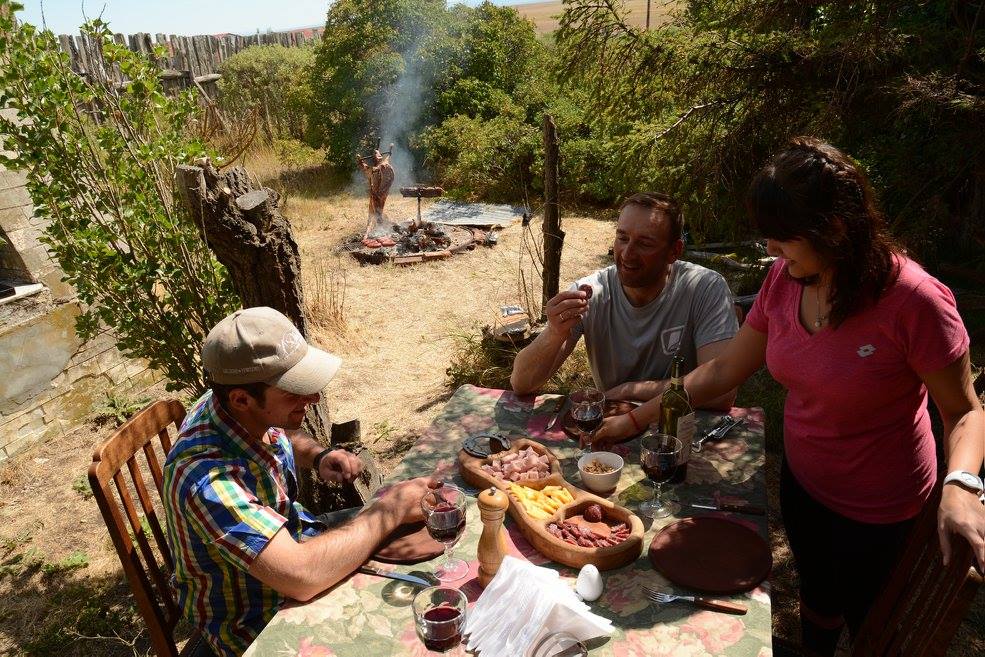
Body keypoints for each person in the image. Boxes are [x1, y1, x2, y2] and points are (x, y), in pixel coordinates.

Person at [593, 138, 985, 655]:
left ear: (836, 229)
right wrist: (639, 418)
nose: (771, 252)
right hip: (803, 484)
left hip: (883, 508)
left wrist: (962, 484)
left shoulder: (914, 300)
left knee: (872, 624)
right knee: (817, 600)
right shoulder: (784, 280)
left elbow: (963, 413)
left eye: (784, 239)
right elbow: (725, 369)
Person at [163, 307, 437, 657]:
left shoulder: (230, 403)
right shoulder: (207, 478)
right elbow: (302, 576)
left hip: (295, 545)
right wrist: (390, 511)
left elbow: (280, 430)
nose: (314, 399)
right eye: (294, 391)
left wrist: (318, 455)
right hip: (259, 622)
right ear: (242, 399)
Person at [510, 192, 740, 419]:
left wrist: (630, 391)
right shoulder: (591, 292)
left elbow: (722, 394)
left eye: (645, 243)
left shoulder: (704, 288)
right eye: (622, 238)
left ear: (674, 251)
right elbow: (521, 384)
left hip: (679, 427)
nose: (627, 253)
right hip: (611, 431)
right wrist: (554, 332)